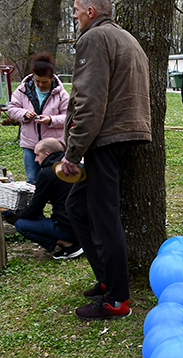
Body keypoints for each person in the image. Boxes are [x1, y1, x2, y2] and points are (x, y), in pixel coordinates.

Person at [61, 0, 152, 320]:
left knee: (105, 218)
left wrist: (73, 152)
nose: (73, 15)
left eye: (76, 8)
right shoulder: (126, 38)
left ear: (91, 11)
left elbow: (89, 100)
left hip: (106, 138)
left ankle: (117, 299)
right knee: (76, 207)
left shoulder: (94, 38)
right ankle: (106, 278)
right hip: (127, 133)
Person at [2, 138, 82, 259]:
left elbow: (34, 210)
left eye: (37, 155)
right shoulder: (80, 167)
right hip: (91, 227)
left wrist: (14, 212)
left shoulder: (47, 173)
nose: (35, 159)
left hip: (70, 228)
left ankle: (69, 245)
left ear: (47, 154)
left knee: (21, 224)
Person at [6, 52, 69, 184]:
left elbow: (68, 117)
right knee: (32, 181)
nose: (40, 84)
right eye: (37, 81)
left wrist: (51, 120)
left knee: (56, 182)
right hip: (30, 145)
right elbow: (11, 108)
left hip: (53, 146)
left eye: (44, 82)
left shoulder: (61, 94)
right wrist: (24, 114)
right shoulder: (23, 90)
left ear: (52, 78)